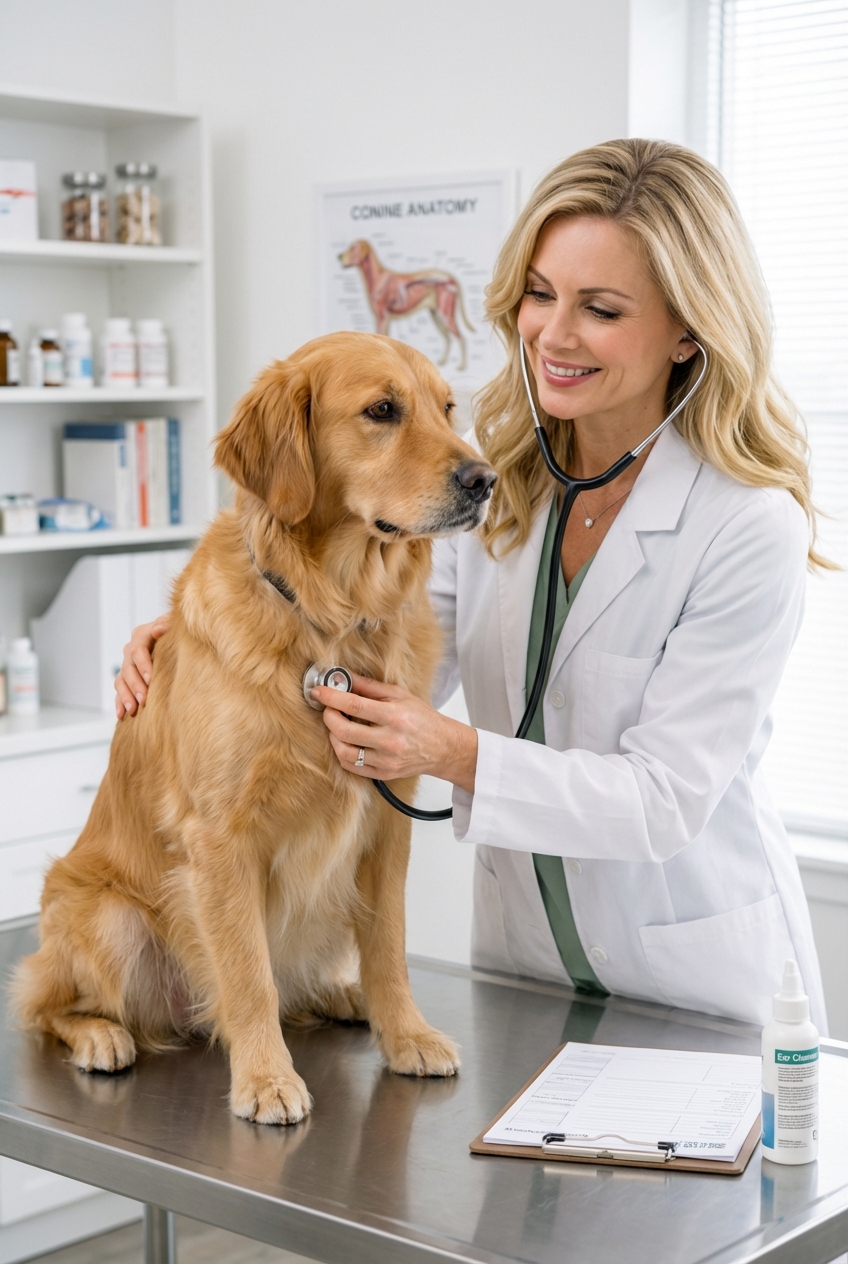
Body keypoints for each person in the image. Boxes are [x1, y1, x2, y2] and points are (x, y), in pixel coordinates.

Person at [117, 139, 827, 1031]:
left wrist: (450, 753)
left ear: (690, 329)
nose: (553, 334)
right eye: (539, 295)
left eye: (600, 310)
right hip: (526, 968)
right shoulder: (493, 487)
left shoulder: (746, 525)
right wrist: (197, 648)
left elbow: (662, 800)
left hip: (698, 982)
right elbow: (385, 661)